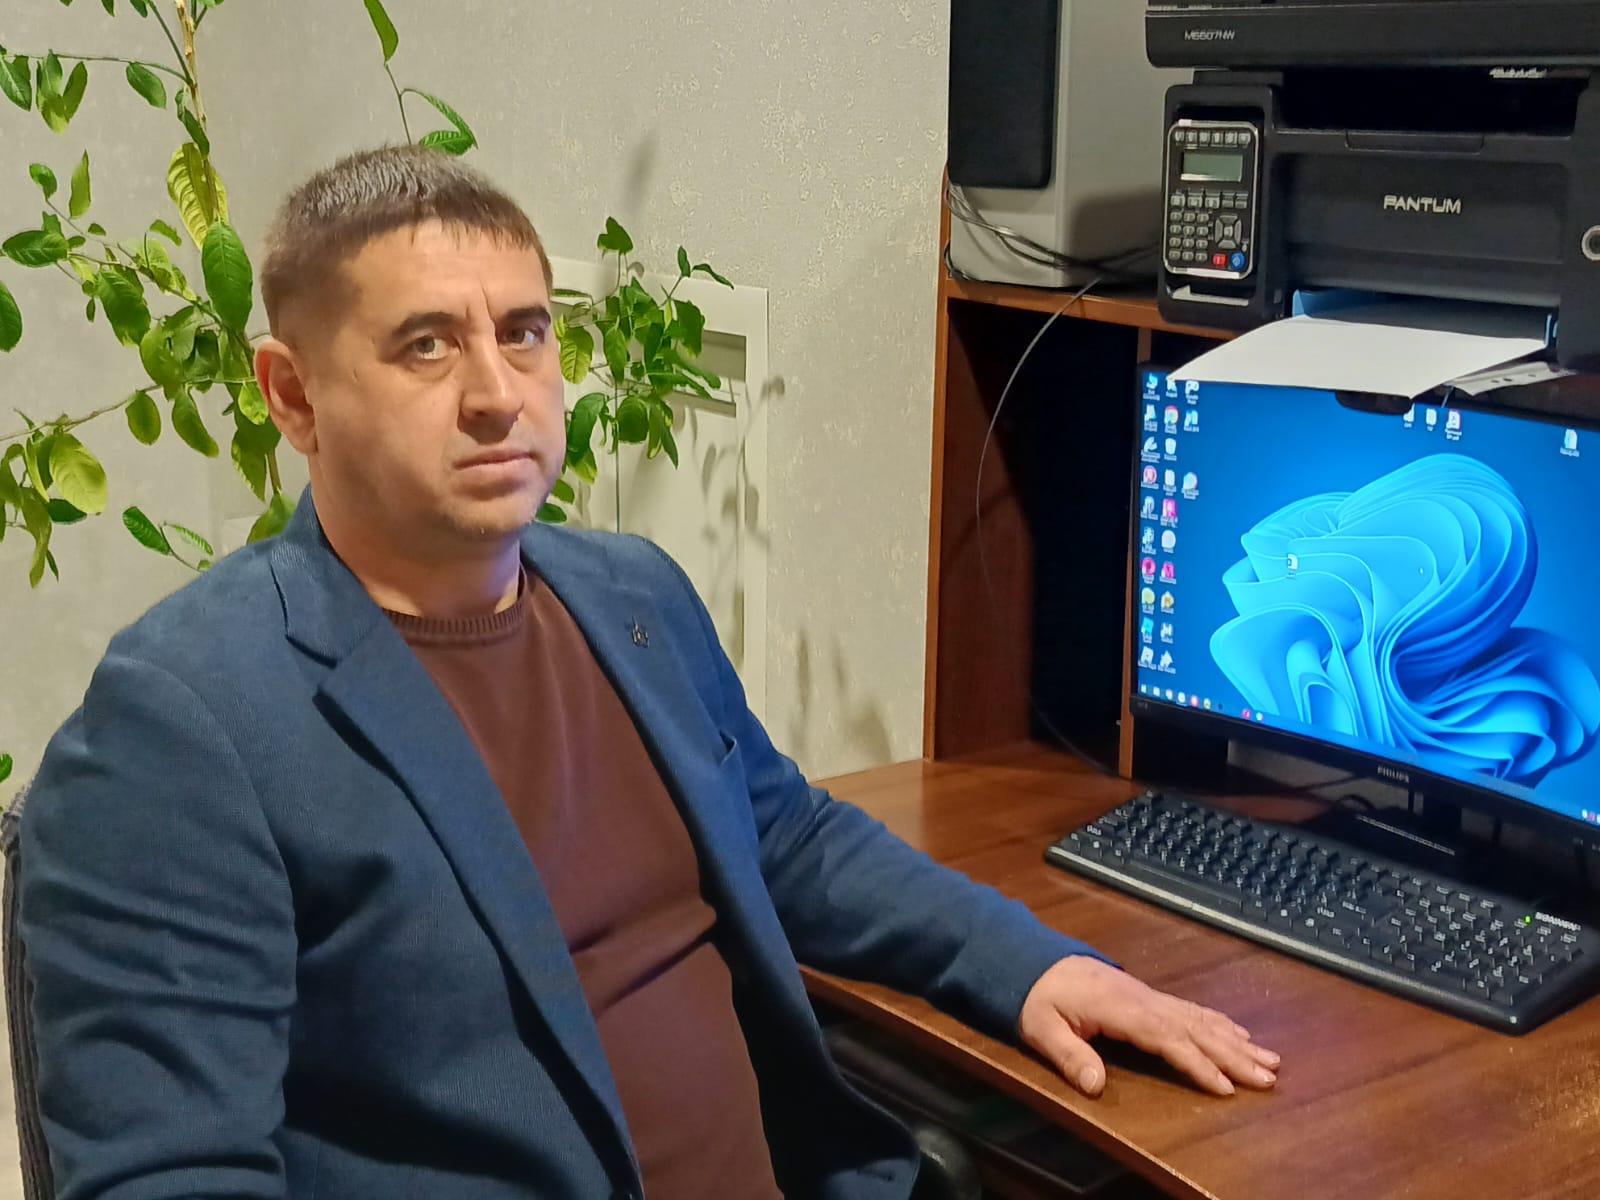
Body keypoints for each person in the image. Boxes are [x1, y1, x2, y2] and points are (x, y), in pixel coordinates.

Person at [19, 146, 1278, 1200]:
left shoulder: (627, 594)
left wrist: (1031, 964)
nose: (497, 394)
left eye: (524, 334)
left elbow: (787, 841)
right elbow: (168, 1175)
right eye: (425, 346)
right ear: (292, 397)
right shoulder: (181, 727)